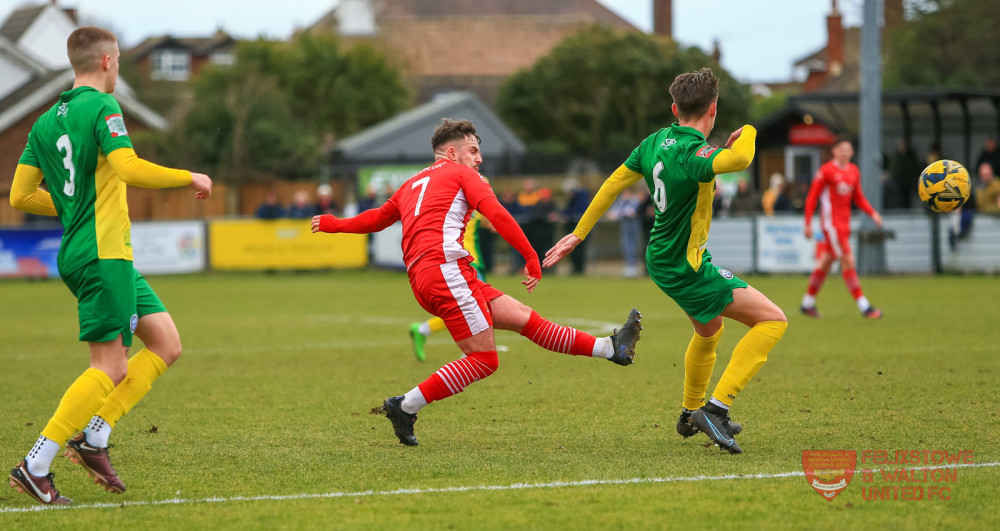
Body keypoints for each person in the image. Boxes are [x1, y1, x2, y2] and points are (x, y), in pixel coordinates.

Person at [312, 119, 642, 446]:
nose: (478, 159)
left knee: (523, 318)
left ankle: (610, 349)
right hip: (445, 271)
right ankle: (405, 405)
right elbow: (496, 213)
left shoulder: (412, 183)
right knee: (484, 359)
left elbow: (378, 218)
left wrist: (334, 224)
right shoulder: (462, 173)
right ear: (453, 152)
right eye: (473, 150)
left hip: (430, 275)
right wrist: (530, 256)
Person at [7, 26, 212, 506]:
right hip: (102, 255)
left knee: (166, 342)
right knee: (110, 366)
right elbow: (129, 167)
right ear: (105, 62)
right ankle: (36, 464)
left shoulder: (43, 122)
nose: (117, 66)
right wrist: (190, 176)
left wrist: (69, 206)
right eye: (118, 59)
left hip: (91, 253)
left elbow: (18, 195)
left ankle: (94, 437)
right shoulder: (103, 107)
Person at [545, 68, 788, 454]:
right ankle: (716, 409)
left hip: (662, 256)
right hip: (685, 265)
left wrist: (579, 233)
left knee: (710, 332)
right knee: (772, 319)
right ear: (713, 109)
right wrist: (749, 129)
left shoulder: (655, 141)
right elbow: (741, 159)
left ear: (674, 108)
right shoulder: (696, 154)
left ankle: (691, 412)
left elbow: (612, 184)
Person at [800, 135, 884, 319]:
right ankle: (865, 307)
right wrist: (807, 223)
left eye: (848, 149)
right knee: (848, 260)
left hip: (844, 225)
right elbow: (812, 197)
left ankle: (807, 303)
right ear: (834, 151)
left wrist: (873, 214)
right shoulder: (826, 171)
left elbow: (859, 197)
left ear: (852, 152)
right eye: (841, 149)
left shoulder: (853, 171)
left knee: (826, 262)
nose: (845, 152)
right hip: (831, 226)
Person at [408, 199, 493, 362]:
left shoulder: (458, 182)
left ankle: (425, 330)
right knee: (477, 305)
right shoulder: (472, 181)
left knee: (472, 306)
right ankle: (470, 352)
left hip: (463, 254)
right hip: (464, 256)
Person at [608, 188, 643, 277]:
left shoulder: (634, 201)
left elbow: (632, 212)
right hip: (625, 225)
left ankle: (633, 266)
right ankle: (629, 265)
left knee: (634, 245)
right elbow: (612, 214)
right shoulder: (621, 202)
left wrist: (620, 213)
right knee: (626, 245)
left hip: (634, 225)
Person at [561, 179, 592, 274]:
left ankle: (579, 269)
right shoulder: (574, 199)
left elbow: (578, 211)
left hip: (580, 229)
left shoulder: (582, 197)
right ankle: (576, 268)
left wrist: (568, 216)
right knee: (574, 250)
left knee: (580, 250)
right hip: (574, 228)